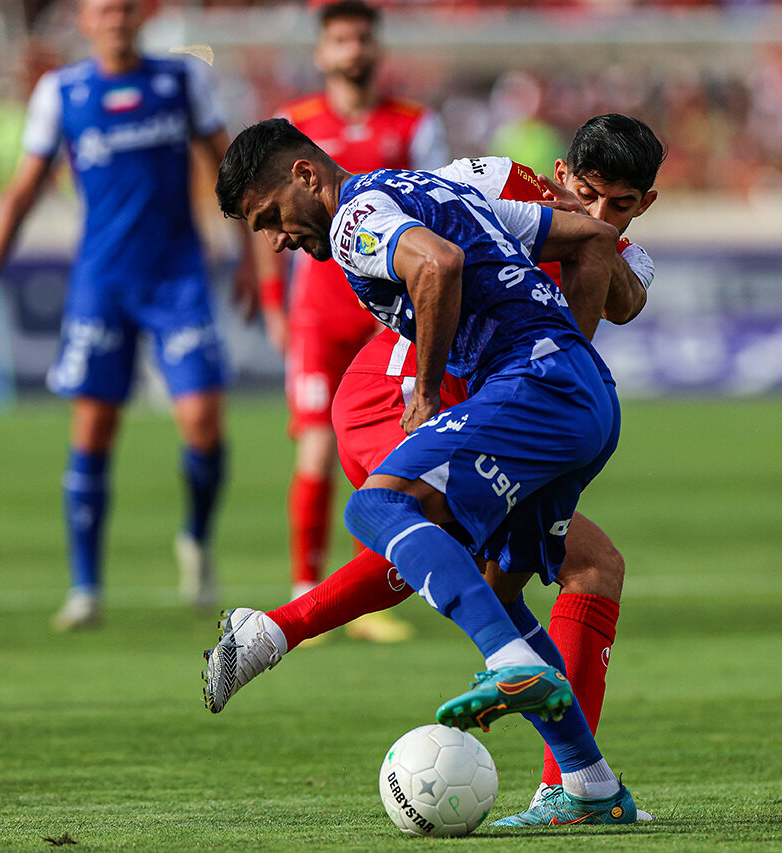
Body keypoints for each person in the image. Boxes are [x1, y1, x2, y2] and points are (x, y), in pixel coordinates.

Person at [202, 116, 663, 815]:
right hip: (572, 398)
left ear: (304, 176)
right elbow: (565, 242)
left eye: (270, 220)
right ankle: (588, 784)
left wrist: (429, 389)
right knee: (508, 578)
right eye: (587, 192)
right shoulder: (478, 181)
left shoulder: (359, 210)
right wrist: (563, 357)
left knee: (380, 509)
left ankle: (499, 663)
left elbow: (440, 262)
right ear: (563, 174)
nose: (276, 240)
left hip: (496, 389)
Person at [0, 0, 254, 629]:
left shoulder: (181, 80)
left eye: (123, 8)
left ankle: (196, 539)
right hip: (103, 281)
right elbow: (23, 190)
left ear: (139, 18)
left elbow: (229, 168)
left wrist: (251, 258)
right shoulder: (60, 92)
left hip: (178, 276)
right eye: (102, 10)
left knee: (203, 420)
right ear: (85, 21)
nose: (115, 18)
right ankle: (86, 586)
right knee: (93, 429)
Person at [262, 1, 448, 635]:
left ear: (378, 48)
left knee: (385, 456)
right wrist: (271, 301)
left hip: (388, 314)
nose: (352, 50)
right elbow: (268, 221)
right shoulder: (295, 127)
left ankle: (361, 592)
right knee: (315, 448)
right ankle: (303, 585)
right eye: (340, 39)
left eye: (362, 38)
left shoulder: (414, 125)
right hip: (319, 314)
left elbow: (433, 206)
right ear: (322, 52)